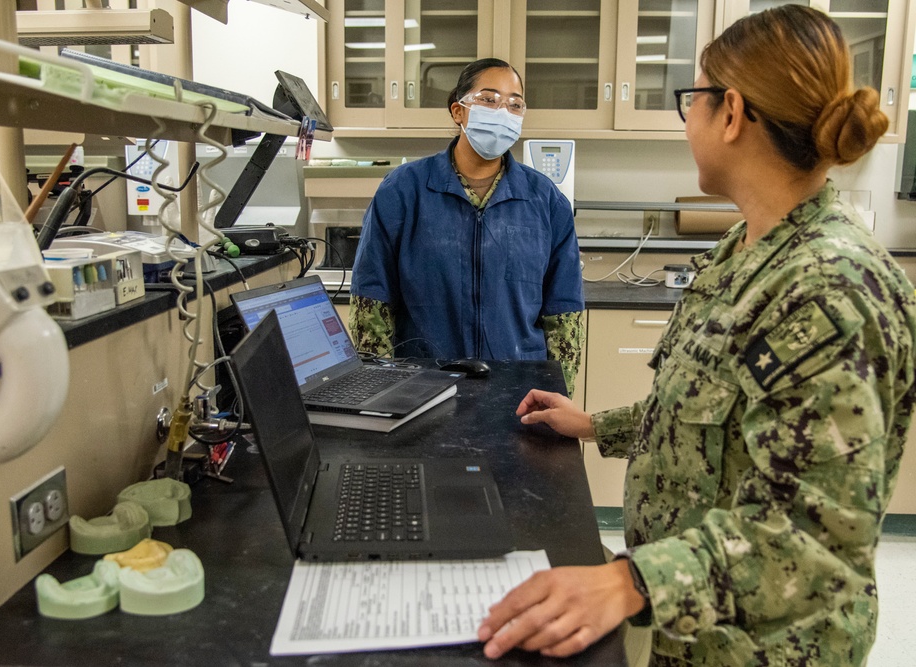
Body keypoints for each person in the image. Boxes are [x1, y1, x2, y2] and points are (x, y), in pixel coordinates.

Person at [476, 6, 916, 665]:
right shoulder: (746, 246)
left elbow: (816, 543)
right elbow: (708, 412)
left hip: (763, 647)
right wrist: (597, 424)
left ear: (731, 112)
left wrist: (628, 580)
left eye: (694, 99)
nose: (688, 119)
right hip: (691, 621)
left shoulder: (830, 288)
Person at [348, 58, 585, 391]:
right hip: (421, 387)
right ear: (458, 111)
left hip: (519, 388)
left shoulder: (544, 200)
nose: (503, 112)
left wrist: (559, 392)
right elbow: (372, 302)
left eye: (515, 104)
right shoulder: (404, 190)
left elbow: (564, 313)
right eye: (489, 99)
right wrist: (379, 390)